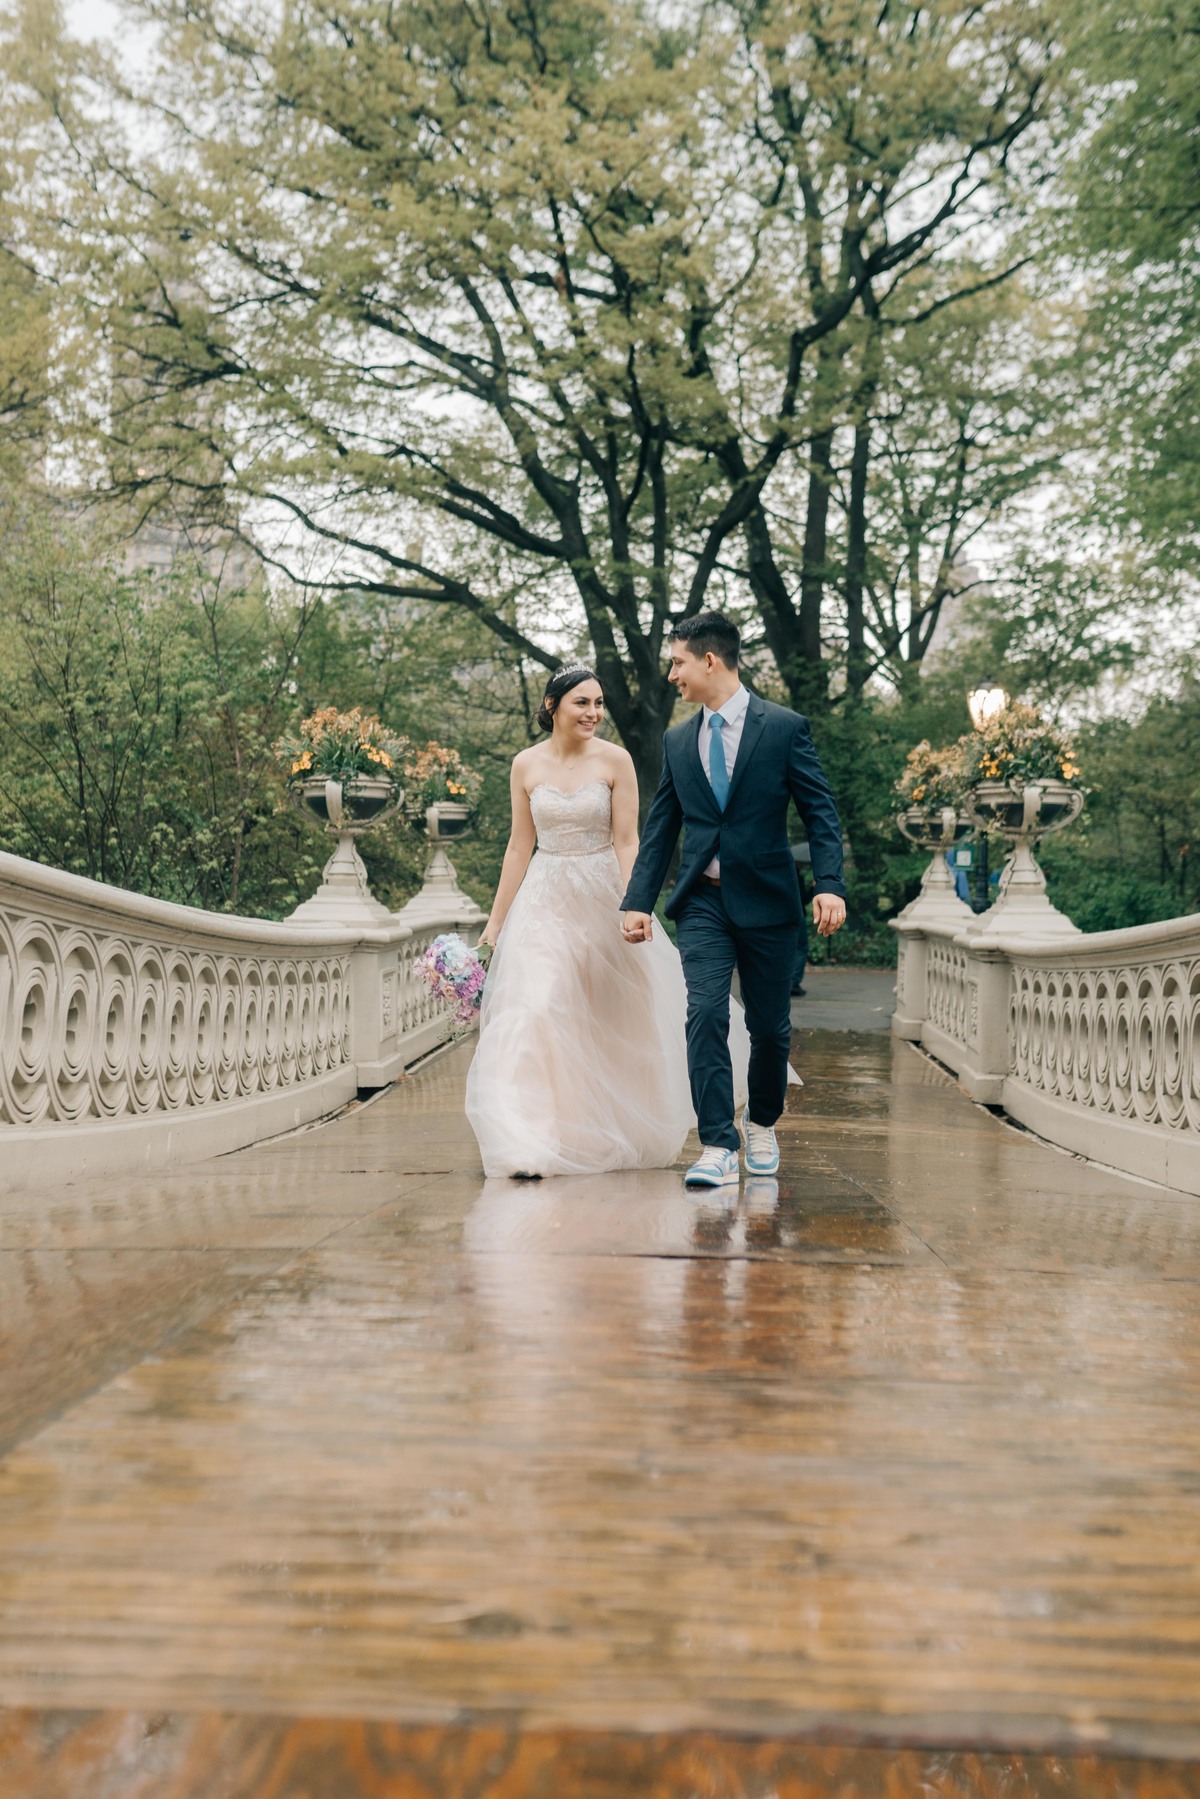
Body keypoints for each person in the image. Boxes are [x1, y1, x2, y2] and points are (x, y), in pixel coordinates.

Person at [465, 665, 750, 1179]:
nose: (594, 713)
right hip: (544, 900)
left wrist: (633, 904)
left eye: (598, 703)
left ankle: (600, 1129)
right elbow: (518, 845)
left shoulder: (615, 760)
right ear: (553, 707)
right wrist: (495, 924)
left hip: (603, 897)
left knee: (611, 1017)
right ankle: (529, 1140)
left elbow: (627, 841)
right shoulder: (524, 765)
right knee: (536, 1008)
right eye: (582, 703)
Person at [620, 613, 846, 1190]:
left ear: (709, 661)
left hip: (770, 902)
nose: (672, 674)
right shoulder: (678, 740)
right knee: (704, 1013)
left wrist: (829, 884)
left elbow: (821, 812)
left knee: (771, 1028)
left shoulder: (784, 728)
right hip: (702, 903)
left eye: (678, 663)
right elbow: (662, 825)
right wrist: (638, 900)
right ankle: (717, 1142)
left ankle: (763, 1121)